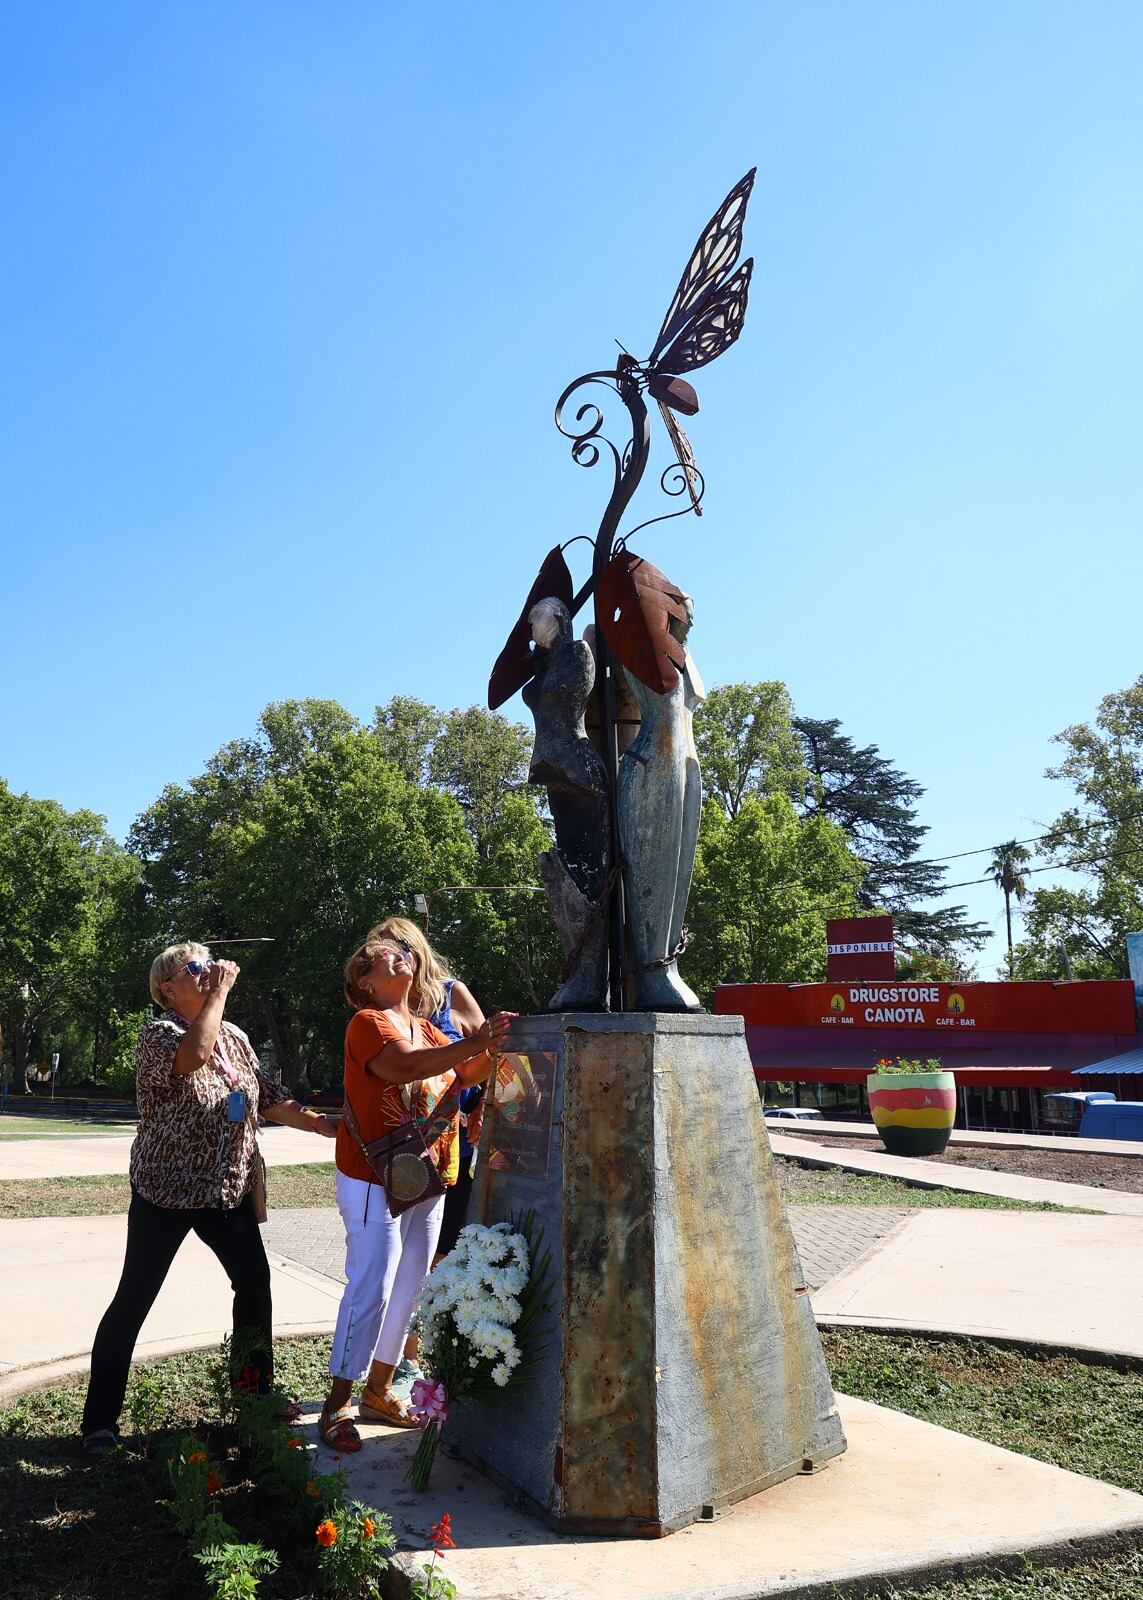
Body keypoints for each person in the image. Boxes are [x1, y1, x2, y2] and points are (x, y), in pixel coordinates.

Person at [80, 943, 338, 1456]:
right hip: (166, 1191)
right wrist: (218, 992)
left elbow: (266, 1095)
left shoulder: (236, 1037)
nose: (205, 972)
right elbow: (194, 1057)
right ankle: (99, 1423)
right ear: (166, 990)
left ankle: (254, 1399)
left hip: (227, 1190)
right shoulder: (158, 1036)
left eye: (207, 964)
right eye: (191, 969)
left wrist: (320, 1124)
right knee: (134, 1298)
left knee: (254, 1286)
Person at [319, 928, 513, 1451]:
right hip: (370, 1173)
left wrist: (493, 1046)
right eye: (383, 955)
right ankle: (338, 1401)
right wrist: (475, 1043)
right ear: (364, 980)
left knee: (413, 1285)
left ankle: (379, 1390)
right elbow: (404, 1066)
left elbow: (462, 1071)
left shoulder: (425, 1027)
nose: (398, 955)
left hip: (426, 1172)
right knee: (373, 1282)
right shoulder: (368, 1022)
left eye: (402, 950)